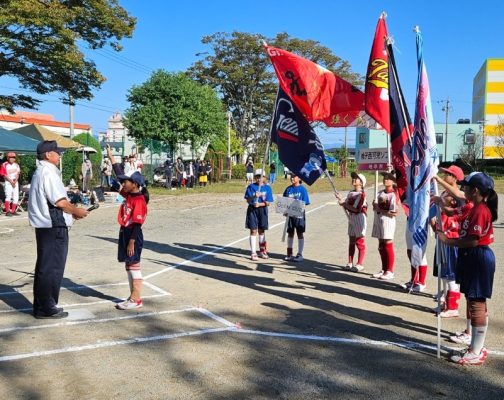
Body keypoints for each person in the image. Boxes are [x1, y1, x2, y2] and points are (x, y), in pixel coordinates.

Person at [438, 172, 497, 365]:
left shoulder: (481, 211)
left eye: (467, 186)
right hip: (472, 257)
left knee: (477, 303)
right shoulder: (474, 208)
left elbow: (473, 240)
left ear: (476, 190)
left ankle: (476, 351)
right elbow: (452, 214)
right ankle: (476, 346)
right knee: (474, 301)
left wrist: (448, 240)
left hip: (478, 257)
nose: (463, 189)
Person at [28, 141, 89, 319]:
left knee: (45, 265)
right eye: (56, 152)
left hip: (45, 224)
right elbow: (59, 201)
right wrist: (76, 211)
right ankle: (46, 306)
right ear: (48, 155)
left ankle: (43, 305)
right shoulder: (48, 172)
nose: (59, 155)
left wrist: (72, 213)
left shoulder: (40, 171)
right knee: (52, 266)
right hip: (52, 224)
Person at [106, 145, 149, 310]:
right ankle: (133, 297)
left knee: (134, 265)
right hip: (125, 233)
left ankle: (136, 299)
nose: (123, 184)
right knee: (128, 265)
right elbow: (118, 176)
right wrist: (112, 158)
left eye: (126, 182)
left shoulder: (138, 200)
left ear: (135, 184)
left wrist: (131, 242)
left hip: (133, 235)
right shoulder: (129, 193)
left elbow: (138, 223)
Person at [427, 165, 467, 313]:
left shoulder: (460, 194)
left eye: (448, 174)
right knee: (443, 272)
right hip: (442, 236)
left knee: (450, 273)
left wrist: (437, 180)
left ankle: (453, 307)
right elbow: (433, 212)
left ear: (455, 177)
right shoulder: (443, 193)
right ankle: (445, 302)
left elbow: (457, 196)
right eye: (443, 173)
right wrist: (432, 222)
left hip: (452, 237)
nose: (444, 175)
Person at [336, 172, 367, 272]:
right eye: (353, 178)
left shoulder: (362, 194)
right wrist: (340, 199)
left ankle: (360, 263)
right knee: (351, 241)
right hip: (351, 217)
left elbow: (357, 209)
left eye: (357, 178)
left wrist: (344, 204)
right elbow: (346, 203)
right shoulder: (351, 193)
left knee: (359, 241)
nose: (354, 179)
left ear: (361, 183)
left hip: (359, 217)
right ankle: (350, 262)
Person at [371, 172, 398, 280]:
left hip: (388, 221)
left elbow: (394, 212)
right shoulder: (379, 193)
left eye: (388, 179)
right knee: (381, 245)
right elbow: (375, 208)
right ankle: (384, 269)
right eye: (384, 178)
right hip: (378, 220)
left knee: (387, 243)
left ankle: (390, 270)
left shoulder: (393, 194)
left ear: (393, 181)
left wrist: (379, 209)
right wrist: (374, 205)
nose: (385, 180)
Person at [244, 169, 273, 260]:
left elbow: (268, 202)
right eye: (257, 177)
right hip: (252, 210)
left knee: (262, 230)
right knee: (253, 230)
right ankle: (253, 252)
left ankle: (262, 250)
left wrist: (260, 204)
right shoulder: (251, 187)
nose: (258, 179)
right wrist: (254, 196)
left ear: (264, 178)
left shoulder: (267, 188)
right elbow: (248, 200)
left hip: (262, 210)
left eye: (260, 177)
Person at [283, 174, 310, 262]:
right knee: (290, 233)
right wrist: (285, 211)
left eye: (294, 176)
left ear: (299, 178)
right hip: (290, 216)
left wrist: (297, 207)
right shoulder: (288, 189)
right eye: (291, 176)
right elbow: (284, 202)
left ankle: (299, 254)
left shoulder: (302, 189)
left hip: (299, 215)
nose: (292, 178)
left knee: (299, 233)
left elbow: (305, 203)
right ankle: (289, 253)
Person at [1, 152, 21, 216]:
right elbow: (4, 175)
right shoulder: (4, 164)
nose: (12, 159)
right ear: (7, 158)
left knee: (16, 197)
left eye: (14, 157)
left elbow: (18, 174)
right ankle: (7, 211)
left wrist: (15, 181)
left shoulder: (16, 165)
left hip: (15, 182)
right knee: (8, 196)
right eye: (11, 157)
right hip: (8, 182)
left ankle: (13, 211)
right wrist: (11, 181)